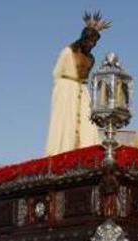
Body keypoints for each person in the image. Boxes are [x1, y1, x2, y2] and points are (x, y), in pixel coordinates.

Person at [45, 12, 109, 155]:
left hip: (83, 90)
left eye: (94, 42)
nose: (92, 45)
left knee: (88, 123)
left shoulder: (91, 58)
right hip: (66, 90)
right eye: (90, 41)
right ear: (83, 39)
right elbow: (57, 73)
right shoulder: (68, 52)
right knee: (66, 121)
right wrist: (63, 91)